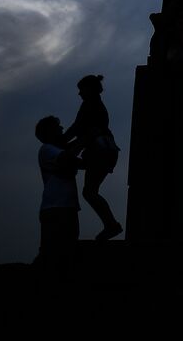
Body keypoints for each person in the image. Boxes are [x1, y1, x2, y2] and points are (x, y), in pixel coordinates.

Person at [63, 74, 123, 241]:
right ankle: (111, 225)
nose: (79, 94)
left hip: (99, 152)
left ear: (89, 89)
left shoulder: (89, 105)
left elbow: (77, 129)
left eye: (81, 90)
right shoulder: (96, 105)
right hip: (106, 151)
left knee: (89, 192)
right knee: (90, 191)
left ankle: (111, 225)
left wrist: (61, 143)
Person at [33, 115, 82, 268]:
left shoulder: (55, 149)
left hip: (66, 207)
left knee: (66, 251)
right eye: (57, 127)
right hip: (55, 208)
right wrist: (83, 140)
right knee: (51, 252)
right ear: (49, 132)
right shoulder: (47, 149)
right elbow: (68, 158)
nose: (62, 129)